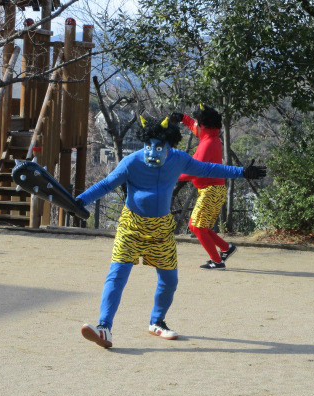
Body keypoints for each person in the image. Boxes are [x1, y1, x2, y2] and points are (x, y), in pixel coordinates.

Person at [75, 115, 266, 348]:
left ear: (168, 146)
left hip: (161, 229)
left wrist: (242, 172)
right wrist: (81, 200)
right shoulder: (131, 162)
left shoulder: (178, 159)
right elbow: (106, 184)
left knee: (169, 279)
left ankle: (157, 322)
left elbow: (208, 168)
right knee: (117, 274)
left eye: (158, 147)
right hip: (131, 226)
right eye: (148, 145)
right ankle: (104, 327)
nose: (152, 151)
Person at [172, 105, 237, 270]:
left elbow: (195, 171)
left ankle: (217, 261)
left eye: (197, 123)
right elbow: (195, 126)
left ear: (203, 125)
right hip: (212, 189)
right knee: (197, 226)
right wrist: (183, 118)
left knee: (198, 227)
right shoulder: (210, 135)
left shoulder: (207, 144)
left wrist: (173, 176)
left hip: (211, 190)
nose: (196, 127)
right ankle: (226, 248)